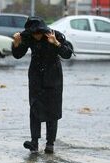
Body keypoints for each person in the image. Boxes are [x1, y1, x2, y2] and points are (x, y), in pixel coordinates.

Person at [12, 17, 73, 154]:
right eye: (34, 33)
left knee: (53, 110)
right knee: (34, 108)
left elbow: (67, 54)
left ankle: (50, 143)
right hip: (35, 76)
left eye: (38, 33)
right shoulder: (27, 36)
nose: (36, 36)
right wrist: (16, 43)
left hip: (53, 76)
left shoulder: (54, 35)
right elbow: (18, 55)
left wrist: (56, 43)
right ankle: (34, 142)